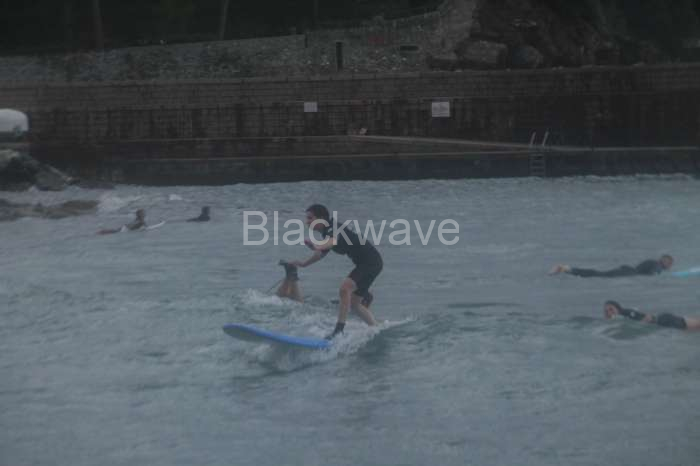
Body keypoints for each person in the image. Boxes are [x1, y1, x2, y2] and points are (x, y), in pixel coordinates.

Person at [285, 204, 381, 339]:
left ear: (321, 218)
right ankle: (376, 328)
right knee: (355, 304)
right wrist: (303, 264)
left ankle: (338, 331)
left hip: (370, 262)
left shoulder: (333, 228)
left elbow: (331, 242)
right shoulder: (327, 230)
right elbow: (321, 253)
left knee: (344, 289)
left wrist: (316, 245)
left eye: (310, 218)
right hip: (369, 263)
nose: (307, 222)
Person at [603, 300, 700, 331]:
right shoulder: (621, 317)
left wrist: (640, 325)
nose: (609, 312)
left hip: (664, 321)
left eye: (611, 309)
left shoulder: (627, 313)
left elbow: (648, 317)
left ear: (618, 308)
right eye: (606, 311)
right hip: (663, 323)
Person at [550, 254, 673, 277]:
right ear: (665, 262)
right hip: (627, 273)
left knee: (598, 274)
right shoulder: (657, 265)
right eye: (669, 263)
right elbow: (654, 274)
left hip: (626, 270)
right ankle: (566, 268)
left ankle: (567, 269)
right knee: (598, 275)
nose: (670, 266)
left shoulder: (652, 261)